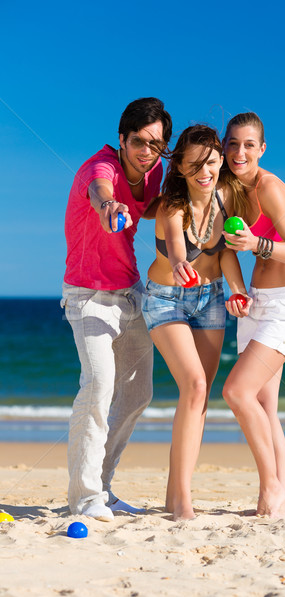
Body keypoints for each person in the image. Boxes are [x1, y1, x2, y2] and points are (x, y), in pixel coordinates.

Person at [61, 97, 172, 521]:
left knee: (138, 393)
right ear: (122, 139)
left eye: (156, 145)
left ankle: (103, 488)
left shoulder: (156, 170)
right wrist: (108, 204)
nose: (147, 152)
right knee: (98, 386)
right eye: (140, 142)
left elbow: (156, 209)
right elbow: (99, 190)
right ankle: (85, 498)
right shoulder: (100, 167)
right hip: (88, 296)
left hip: (130, 293)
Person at [142, 125, 250, 521]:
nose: (204, 172)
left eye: (210, 162)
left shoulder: (226, 197)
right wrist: (179, 263)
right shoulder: (173, 206)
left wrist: (237, 290)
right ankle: (183, 501)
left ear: (221, 159)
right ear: (182, 169)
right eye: (194, 166)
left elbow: (224, 254)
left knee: (199, 397)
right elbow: (174, 243)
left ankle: (176, 495)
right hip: (166, 298)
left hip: (212, 299)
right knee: (195, 384)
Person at [222, 112, 285, 518]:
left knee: (237, 393)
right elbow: (228, 250)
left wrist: (257, 243)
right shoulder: (229, 190)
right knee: (263, 406)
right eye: (232, 143)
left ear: (261, 149)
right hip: (258, 301)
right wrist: (239, 291)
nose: (239, 152)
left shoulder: (271, 188)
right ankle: (278, 500)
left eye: (248, 144)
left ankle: (272, 490)